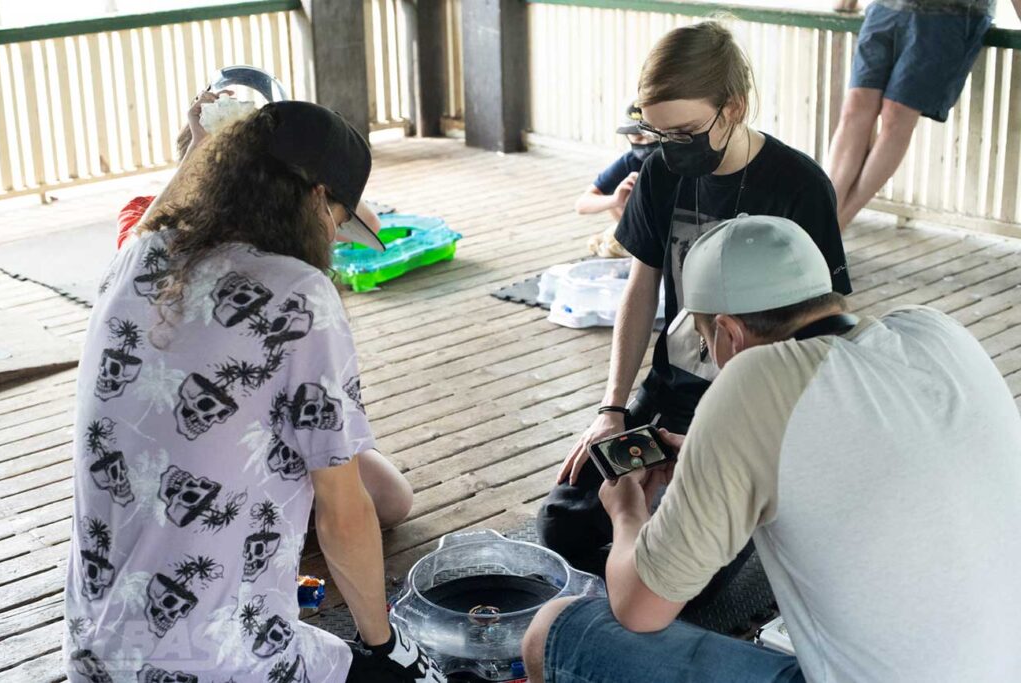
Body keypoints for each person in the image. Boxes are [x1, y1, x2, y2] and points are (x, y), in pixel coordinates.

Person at [522, 214, 1021, 683]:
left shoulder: (753, 377)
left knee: (553, 630)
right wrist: (712, 455)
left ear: (729, 333)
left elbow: (640, 608)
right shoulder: (933, 330)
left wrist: (627, 514)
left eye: (704, 342)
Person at [64, 101, 442, 682]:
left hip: (93, 650)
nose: (337, 236)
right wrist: (385, 646)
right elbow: (343, 513)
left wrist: (197, 147)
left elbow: (160, 217)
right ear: (317, 200)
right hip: (218, 662)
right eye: (339, 220)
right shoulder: (299, 295)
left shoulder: (138, 257)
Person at [538, 21, 852, 592]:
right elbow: (641, 287)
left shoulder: (799, 185)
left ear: (733, 108)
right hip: (671, 397)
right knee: (567, 521)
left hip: (754, 403)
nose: (670, 148)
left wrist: (764, 442)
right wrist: (612, 409)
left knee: (689, 568)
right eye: (656, 133)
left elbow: (826, 327)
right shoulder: (659, 171)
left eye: (684, 132)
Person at [827, 0, 1017, 230]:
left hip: (950, 16)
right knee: (854, 107)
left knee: (896, 115)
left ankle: (834, 226)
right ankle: (823, 218)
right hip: (886, 8)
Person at [116, 91, 381, 250]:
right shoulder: (139, 210)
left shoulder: (264, 216)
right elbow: (133, 255)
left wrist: (321, 162)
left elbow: (370, 225)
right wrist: (201, 144)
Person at [576, 100, 656, 257]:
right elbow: (581, 204)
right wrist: (615, 200)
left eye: (651, 136)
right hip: (641, 232)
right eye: (637, 138)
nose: (646, 143)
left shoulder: (678, 158)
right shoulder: (630, 162)